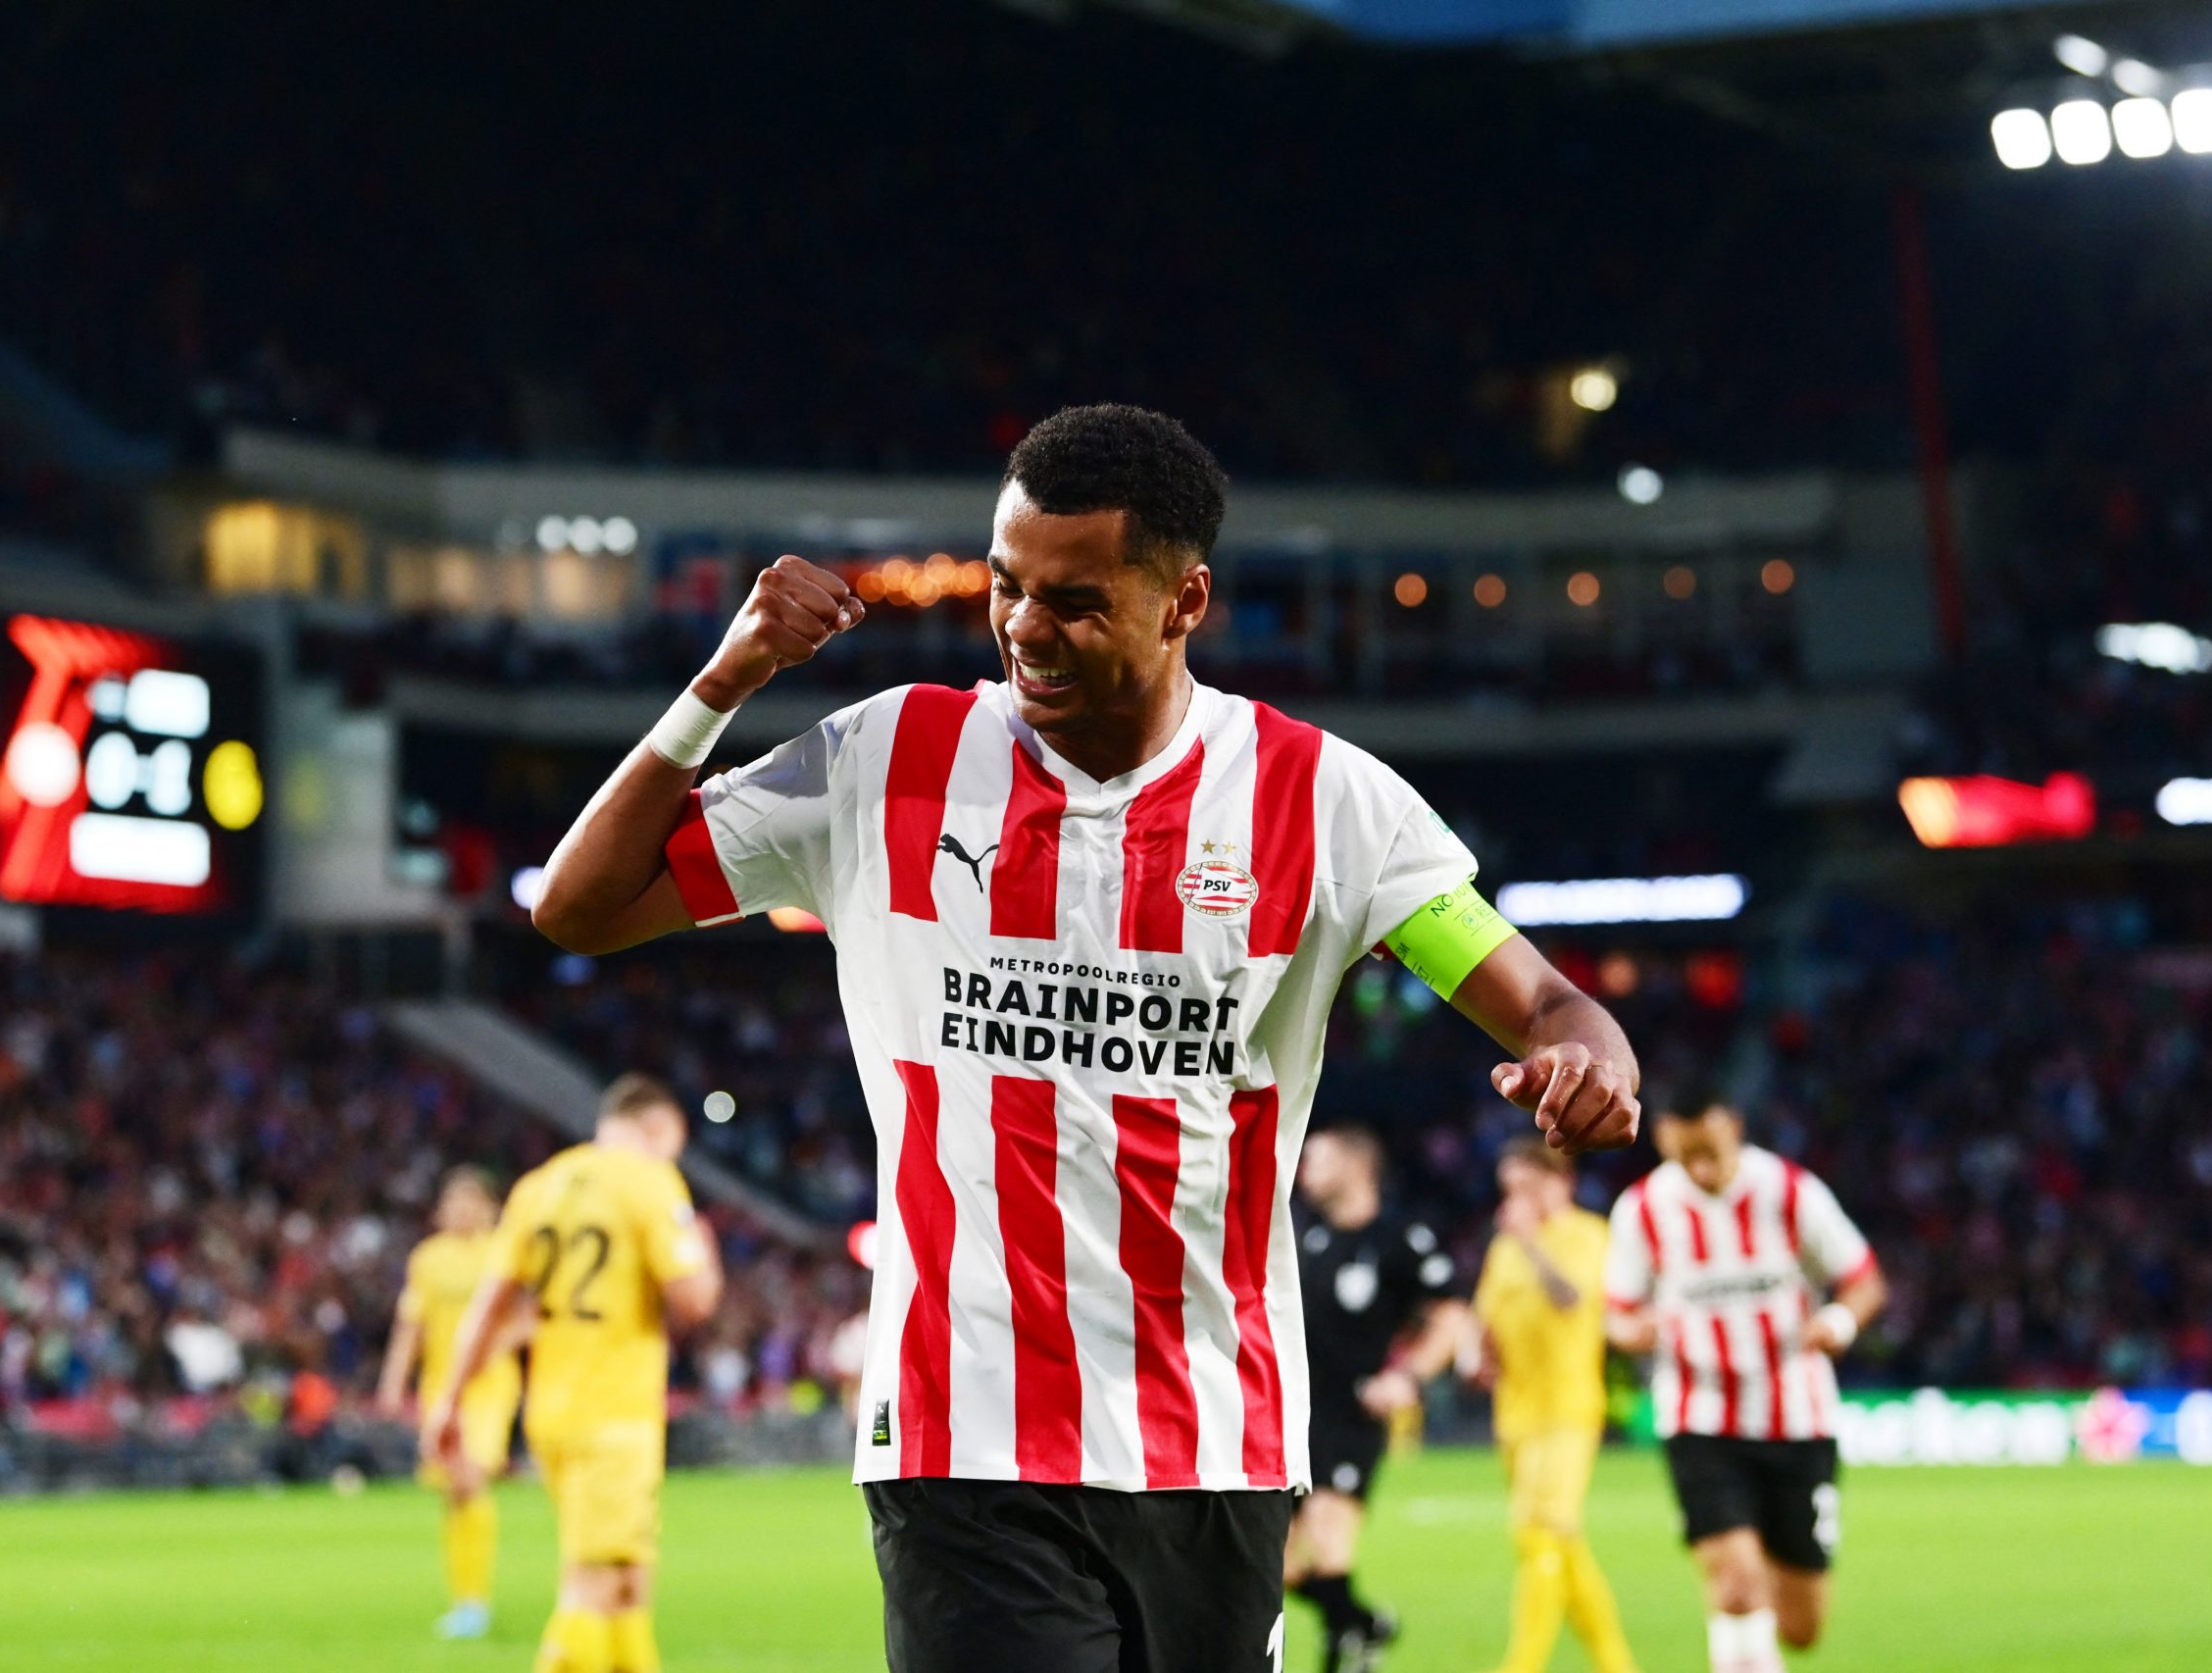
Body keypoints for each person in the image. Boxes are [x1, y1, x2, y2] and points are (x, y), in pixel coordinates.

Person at [528, 403, 1642, 1673]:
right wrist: (724, 680)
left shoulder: (1325, 802)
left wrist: (1588, 1058)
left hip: (1214, 1441)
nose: (1023, 627)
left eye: (1072, 598)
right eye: (1007, 586)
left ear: (1184, 601)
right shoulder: (888, 760)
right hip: (966, 1435)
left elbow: (1546, 1000)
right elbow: (579, 906)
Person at [428, 1074, 725, 1673]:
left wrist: (448, 1402)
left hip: (553, 1409)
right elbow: (694, 1300)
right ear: (657, 1126)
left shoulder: (541, 1186)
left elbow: (491, 1303)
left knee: (626, 1583)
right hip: (615, 1412)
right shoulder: (649, 1180)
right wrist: (704, 1245)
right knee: (591, 1587)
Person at [1604, 1091, 1885, 1673]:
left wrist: (1837, 1320)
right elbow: (1617, 1315)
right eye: (1688, 1157)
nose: (1702, 1169)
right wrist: (1640, 1330)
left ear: (1733, 1125)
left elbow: (1863, 1279)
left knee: (1802, 1625)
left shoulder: (1788, 1191)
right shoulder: (1642, 1209)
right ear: (1664, 1140)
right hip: (1698, 1414)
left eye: (1711, 1151)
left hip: (1796, 1416)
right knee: (1735, 1582)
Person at [1285, 1125, 1471, 1673]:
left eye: (1316, 1159)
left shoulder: (1400, 1237)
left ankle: (1347, 1654)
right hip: (1294, 1416)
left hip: (1352, 1414)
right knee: (1280, 1568)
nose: (1303, 1172)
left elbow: (1451, 1315)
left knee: (1328, 1538)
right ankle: (1362, 1625)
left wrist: (1407, 1378)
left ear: (1356, 1165)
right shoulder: (1306, 1238)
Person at [1471, 1140, 1640, 1673]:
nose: (1514, 1201)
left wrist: (1530, 1245)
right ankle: (1616, 1663)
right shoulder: (1504, 1251)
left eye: (1524, 1187)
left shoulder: (1586, 1235)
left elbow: (1572, 1299)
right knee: (1558, 1542)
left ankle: (1522, 1664)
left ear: (1558, 1182)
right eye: (1508, 1191)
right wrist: (1480, 1355)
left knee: (1542, 1532)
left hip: (1568, 1410)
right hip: (1515, 1414)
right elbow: (1487, 1320)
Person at [375, 1167, 525, 1641]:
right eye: (453, 1203)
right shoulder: (428, 1260)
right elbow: (410, 1327)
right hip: (440, 1387)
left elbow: (531, 1316)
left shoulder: (506, 1252)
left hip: (490, 1385)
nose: (461, 1211)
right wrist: (393, 1383)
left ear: (489, 1208)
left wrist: (496, 1348)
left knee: (468, 1478)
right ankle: (466, 1598)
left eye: (471, 1202)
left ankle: (472, 1605)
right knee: (455, 1493)